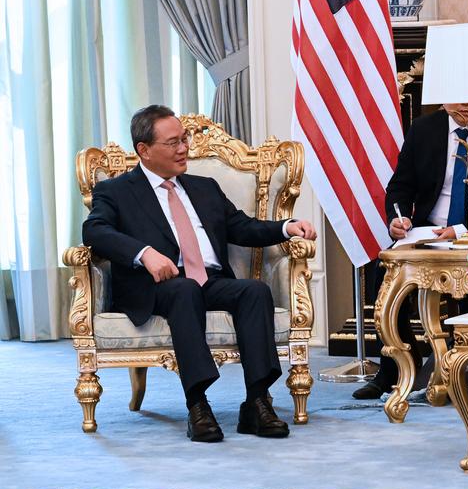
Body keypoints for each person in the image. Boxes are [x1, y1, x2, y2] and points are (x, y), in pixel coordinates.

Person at [82, 105, 317, 443]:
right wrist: (144, 254)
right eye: (173, 142)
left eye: (184, 139)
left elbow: (242, 227)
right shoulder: (117, 191)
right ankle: (198, 405)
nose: (184, 148)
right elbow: (94, 230)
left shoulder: (204, 187)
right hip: (158, 286)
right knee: (184, 290)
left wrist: (286, 227)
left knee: (254, 291)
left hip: (210, 279)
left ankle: (256, 402)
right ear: (144, 150)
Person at [352, 102, 468, 400]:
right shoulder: (423, 129)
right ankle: (395, 367)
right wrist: (398, 218)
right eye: (456, 97)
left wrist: (464, 230)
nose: (464, 104)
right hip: (429, 231)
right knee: (384, 270)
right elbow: (400, 186)